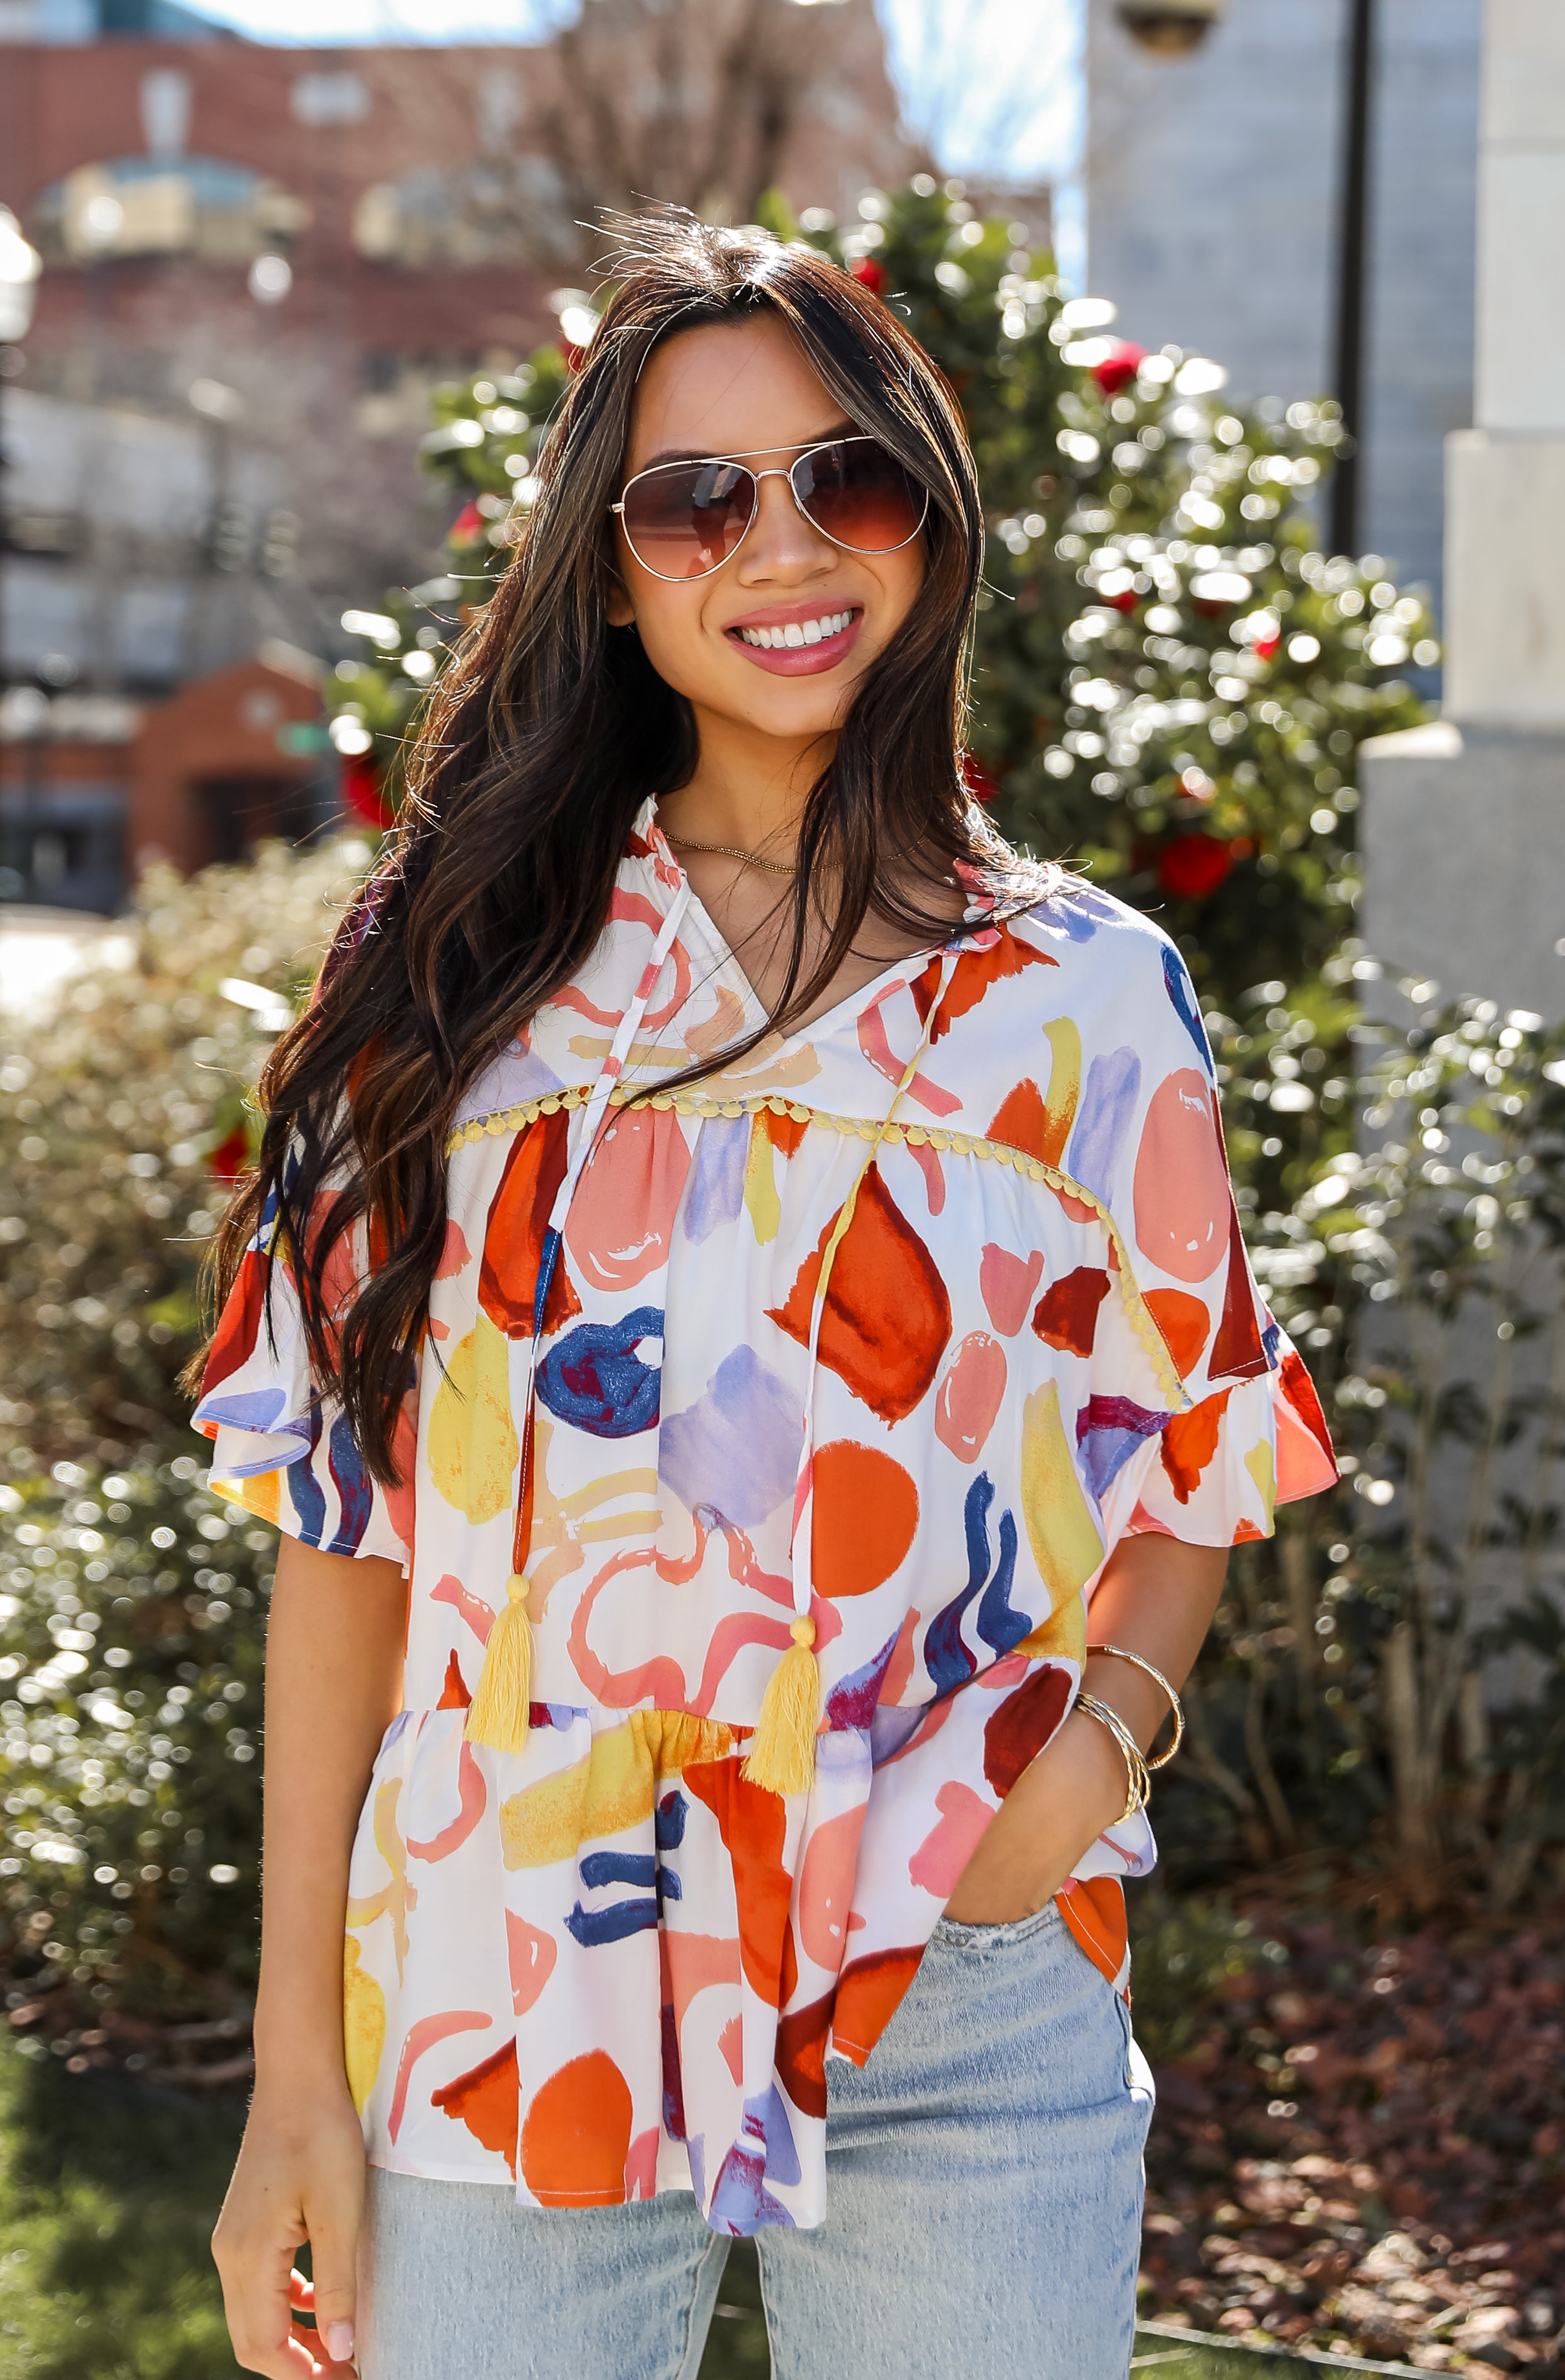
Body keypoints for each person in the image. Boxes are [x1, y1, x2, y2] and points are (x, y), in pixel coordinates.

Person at [195, 213, 1336, 2380]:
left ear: (929, 511)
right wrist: (291, 2080)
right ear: (613, 566)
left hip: (960, 1975)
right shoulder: (446, 976)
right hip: (507, 1962)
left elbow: (1206, 1435)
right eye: (694, 496)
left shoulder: (1085, 995)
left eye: (847, 475)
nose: (781, 544)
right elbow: (345, 1530)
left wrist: (1095, 1754)